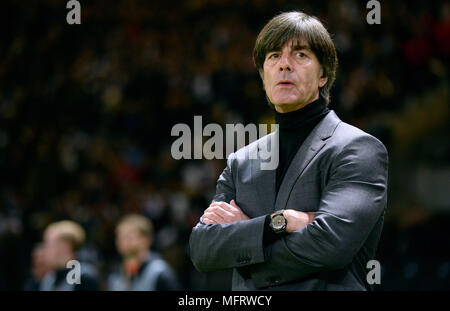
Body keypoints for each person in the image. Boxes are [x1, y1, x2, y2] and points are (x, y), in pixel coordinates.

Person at [189, 11, 389, 290]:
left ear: (323, 76)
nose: (284, 64)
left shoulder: (357, 149)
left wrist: (246, 241)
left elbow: (330, 245)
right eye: (273, 56)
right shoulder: (241, 161)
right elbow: (203, 250)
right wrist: (278, 223)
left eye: (300, 55)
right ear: (263, 76)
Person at [107, 214, 181, 290]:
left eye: (128, 237)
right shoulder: (115, 274)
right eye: (120, 237)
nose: (123, 241)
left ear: (147, 240)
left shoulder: (159, 273)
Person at [40, 220, 99, 291]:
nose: (45, 249)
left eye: (48, 244)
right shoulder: (49, 279)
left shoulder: (84, 278)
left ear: (65, 246)